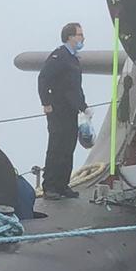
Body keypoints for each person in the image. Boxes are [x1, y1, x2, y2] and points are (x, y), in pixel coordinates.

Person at [37, 22, 89, 198]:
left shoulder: (73, 58)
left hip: (71, 110)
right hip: (58, 110)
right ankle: (50, 186)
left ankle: (62, 184)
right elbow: (43, 78)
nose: (82, 38)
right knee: (57, 147)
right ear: (70, 37)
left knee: (68, 147)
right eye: (79, 35)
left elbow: (74, 87)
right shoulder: (59, 56)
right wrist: (46, 103)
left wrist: (84, 107)